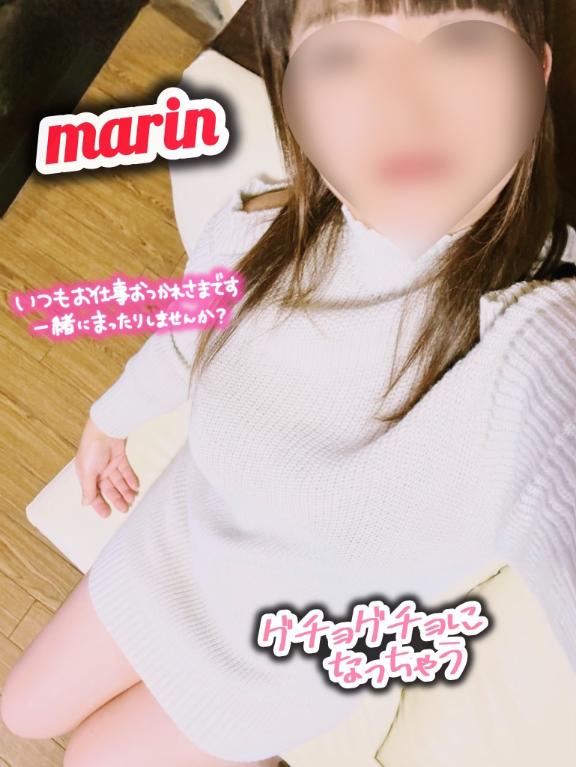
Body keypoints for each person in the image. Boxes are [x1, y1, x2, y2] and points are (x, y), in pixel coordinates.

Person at [2, 1, 576, 765]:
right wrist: (108, 420)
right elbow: (184, 339)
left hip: (280, 662)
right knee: (22, 708)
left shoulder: (539, 329)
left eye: (462, 41)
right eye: (343, 56)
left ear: (536, 72)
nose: (401, 105)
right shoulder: (265, 223)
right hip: (177, 542)